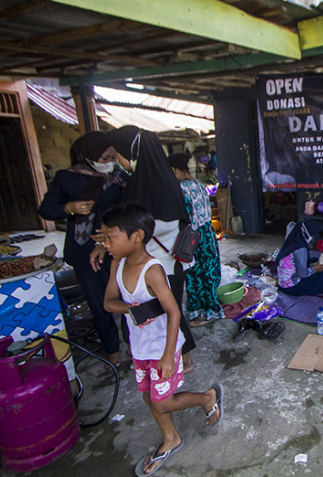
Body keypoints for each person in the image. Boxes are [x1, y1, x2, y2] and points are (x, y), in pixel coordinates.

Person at [100, 203, 222, 476]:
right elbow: (108, 302)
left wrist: (169, 355)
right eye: (104, 237)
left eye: (110, 237)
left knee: (162, 402)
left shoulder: (153, 270)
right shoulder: (116, 264)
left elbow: (173, 311)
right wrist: (130, 308)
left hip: (163, 346)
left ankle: (206, 397)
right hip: (140, 347)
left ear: (136, 236)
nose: (105, 243)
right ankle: (171, 438)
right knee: (148, 397)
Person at [91, 125, 196, 373]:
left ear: (132, 151)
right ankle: (181, 358)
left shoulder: (152, 185)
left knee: (167, 312)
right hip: (163, 261)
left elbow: (148, 226)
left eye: (119, 153)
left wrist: (110, 237)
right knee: (167, 311)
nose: (117, 159)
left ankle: (179, 360)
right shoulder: (152, 180)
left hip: (163, 264)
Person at [39, 131, 125, 367]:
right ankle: (112, 352)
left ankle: (136, 345)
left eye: (112, 157)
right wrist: (69, 207)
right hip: (84, 249)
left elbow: (128, 209)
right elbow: (46, 209)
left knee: (128, 297)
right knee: (99, 303)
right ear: (90, 155)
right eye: (105, 157)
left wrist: (107, 236)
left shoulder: (119, 177)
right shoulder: (68, 178)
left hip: (117, 246)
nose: (109, 162)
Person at [167, 153, 224, 326]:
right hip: (207, 234)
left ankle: (200, 314)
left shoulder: (182, 189)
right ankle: (211, 309)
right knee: (209, 272)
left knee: (195, 275)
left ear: (175, 170)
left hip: (193, 238)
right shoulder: (199, 184)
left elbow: (185, 217)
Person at [276, 220, 323, 295]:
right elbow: (302, 274)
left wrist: (312, 266)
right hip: (293, 287)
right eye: (311, 235)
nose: (312, 238)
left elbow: (295, 264)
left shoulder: (291, 240)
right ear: (305, 234)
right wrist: (314, 269)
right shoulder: (300, 249)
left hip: (282, 284)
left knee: (314, 260)